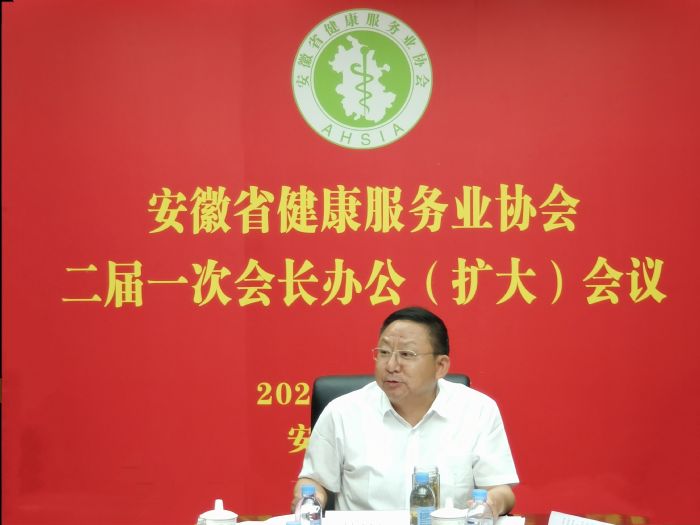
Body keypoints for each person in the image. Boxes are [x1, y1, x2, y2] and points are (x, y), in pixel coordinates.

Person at [292, 306, 518, 516]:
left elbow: (500, 489)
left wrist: (491, 504)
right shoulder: (342, 412)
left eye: (407, 354)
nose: (391, 365)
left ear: (440, 366)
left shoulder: (477, 410)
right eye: (384, 352)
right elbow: (314, 481)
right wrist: (310, 501)